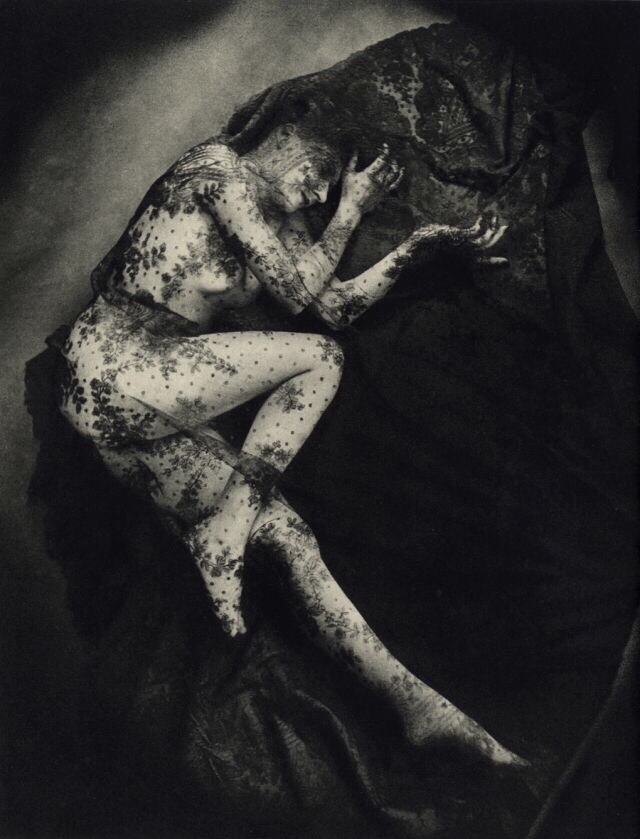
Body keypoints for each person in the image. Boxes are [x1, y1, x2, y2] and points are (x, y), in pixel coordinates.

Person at [58, 98, 521, 768]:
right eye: (321, 171)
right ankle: (226, 529)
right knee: (319, 361)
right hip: (111, 367)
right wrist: (352, 212)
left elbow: (334, 306)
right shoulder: (216, 173)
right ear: (286, 136)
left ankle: (420, 710)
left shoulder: (282, 222)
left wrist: (418, 248)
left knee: (288, 537)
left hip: (140, 415)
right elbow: (299, 298)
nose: (321, 192)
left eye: (332, 187)